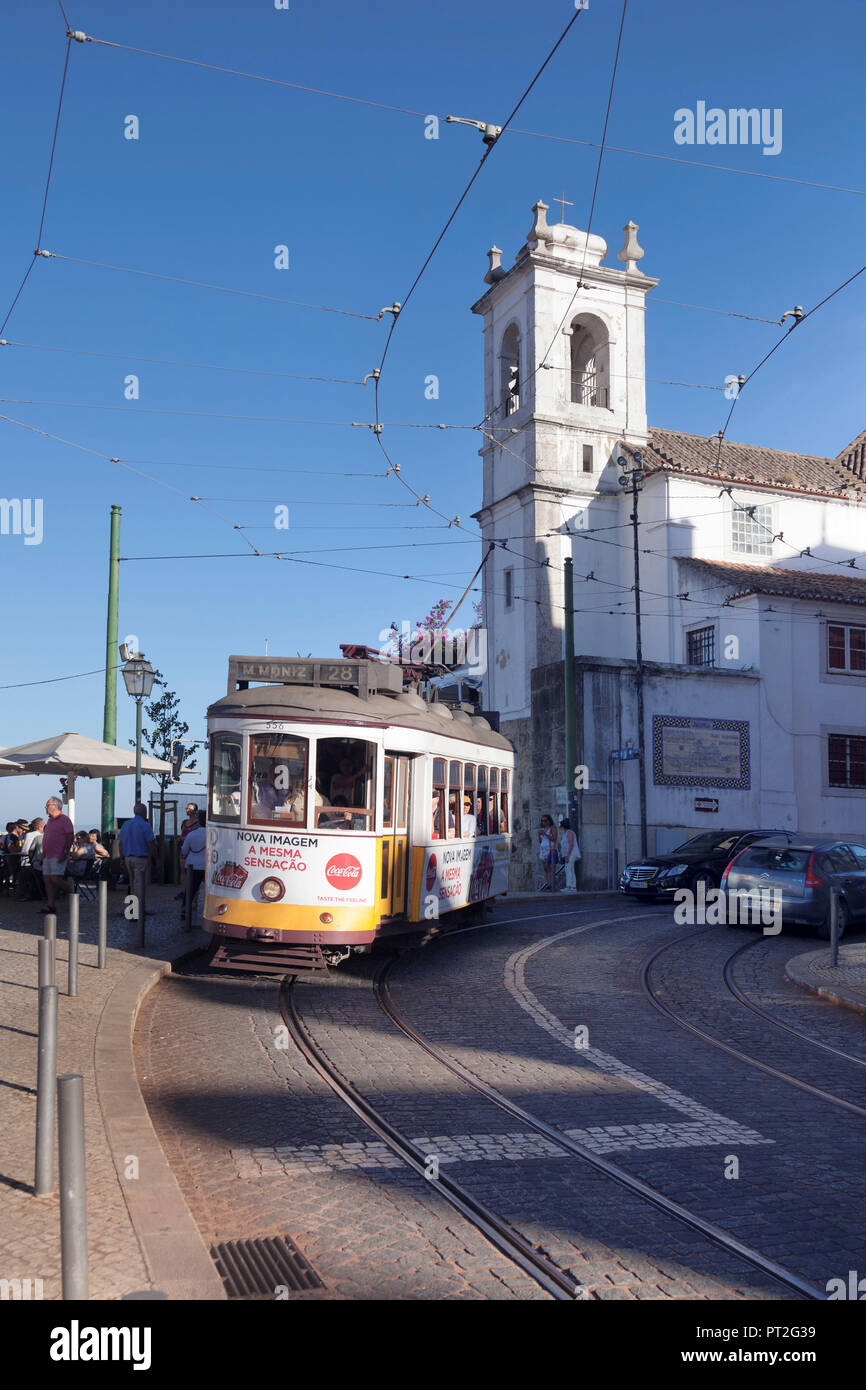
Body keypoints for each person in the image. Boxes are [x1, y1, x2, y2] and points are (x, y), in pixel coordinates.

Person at [118, 803, 158, 920]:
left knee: (132, 884)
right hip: (141, 858)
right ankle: (135, 912)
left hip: (128, 857)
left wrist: (121, 858)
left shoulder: (126, 825)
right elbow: (151, 844)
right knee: (139, 886)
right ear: (144, 813)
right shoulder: (145, 825)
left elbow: (120, 844)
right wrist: (157, 859)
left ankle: (133, 909)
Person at [40, 796, 75, 914]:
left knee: (55, 879)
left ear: (55, 806)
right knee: (47, 880)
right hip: (48, 855)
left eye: (47, 804)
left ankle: (71, 891)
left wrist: (65, 852)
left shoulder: (64, 819)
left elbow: (70, 837)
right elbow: (47, 838)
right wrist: (43, 854)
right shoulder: (50, 821)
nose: (45, 807)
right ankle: (51, 905)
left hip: (58, 854)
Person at [179, 810, 206, 922]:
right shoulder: (211, 833)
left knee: (190, 889)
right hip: (206, 866)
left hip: (192, 866)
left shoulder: (191, 834)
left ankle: (184, 910)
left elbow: (184, 851)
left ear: (198, 821)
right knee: (209, 891)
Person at [558, 818, 581, 892]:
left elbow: (571, 844)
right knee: (571, 869)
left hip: (571, 853)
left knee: (568, 869)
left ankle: (569, 886)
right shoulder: (566, 833)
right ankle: (573, 887)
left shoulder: (569, 833)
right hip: (569, 854)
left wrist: (568, 856)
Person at [538, 814, 558, 891]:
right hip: (543, 850)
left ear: (549, 821)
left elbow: (554, 838)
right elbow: (540, 841)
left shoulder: (552, 828)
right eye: (542, 821)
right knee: (546, 869)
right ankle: (548, 884)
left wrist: (545, 834)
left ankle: (551, 885)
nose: (544, 822)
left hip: (550, 850)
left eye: (545, 821)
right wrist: (539, 835)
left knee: (550, 868)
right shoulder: (543, 829)